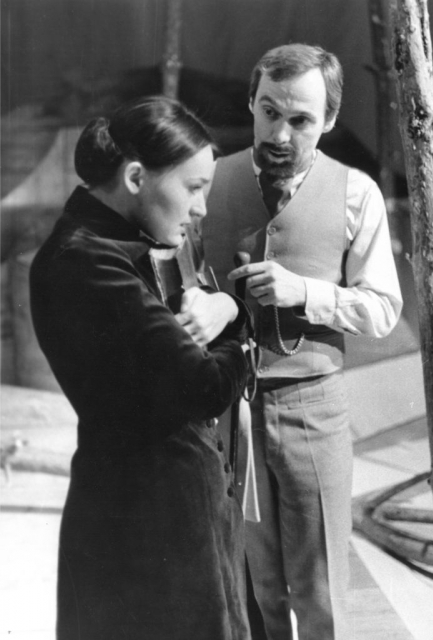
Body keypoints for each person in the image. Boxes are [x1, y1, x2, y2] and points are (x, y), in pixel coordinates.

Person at [29, 96, 252, 640]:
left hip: (167, 517)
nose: (201, 208)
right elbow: (205, 387)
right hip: (147, 530)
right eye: (193, 188)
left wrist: (225, 309)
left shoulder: (120, 245)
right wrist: (237, 326)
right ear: (134, 177)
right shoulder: (88, 261)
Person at [202, 44, 403, 639]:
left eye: (301, 119)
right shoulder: (208, 181)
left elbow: (384, 309)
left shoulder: (356, 193)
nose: (280, 134)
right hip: (228, 409)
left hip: (314, 407)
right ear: (251, 102)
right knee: (251, 585)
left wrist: (307, 293)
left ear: (330, 120)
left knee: (320, 593)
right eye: (269, 112)